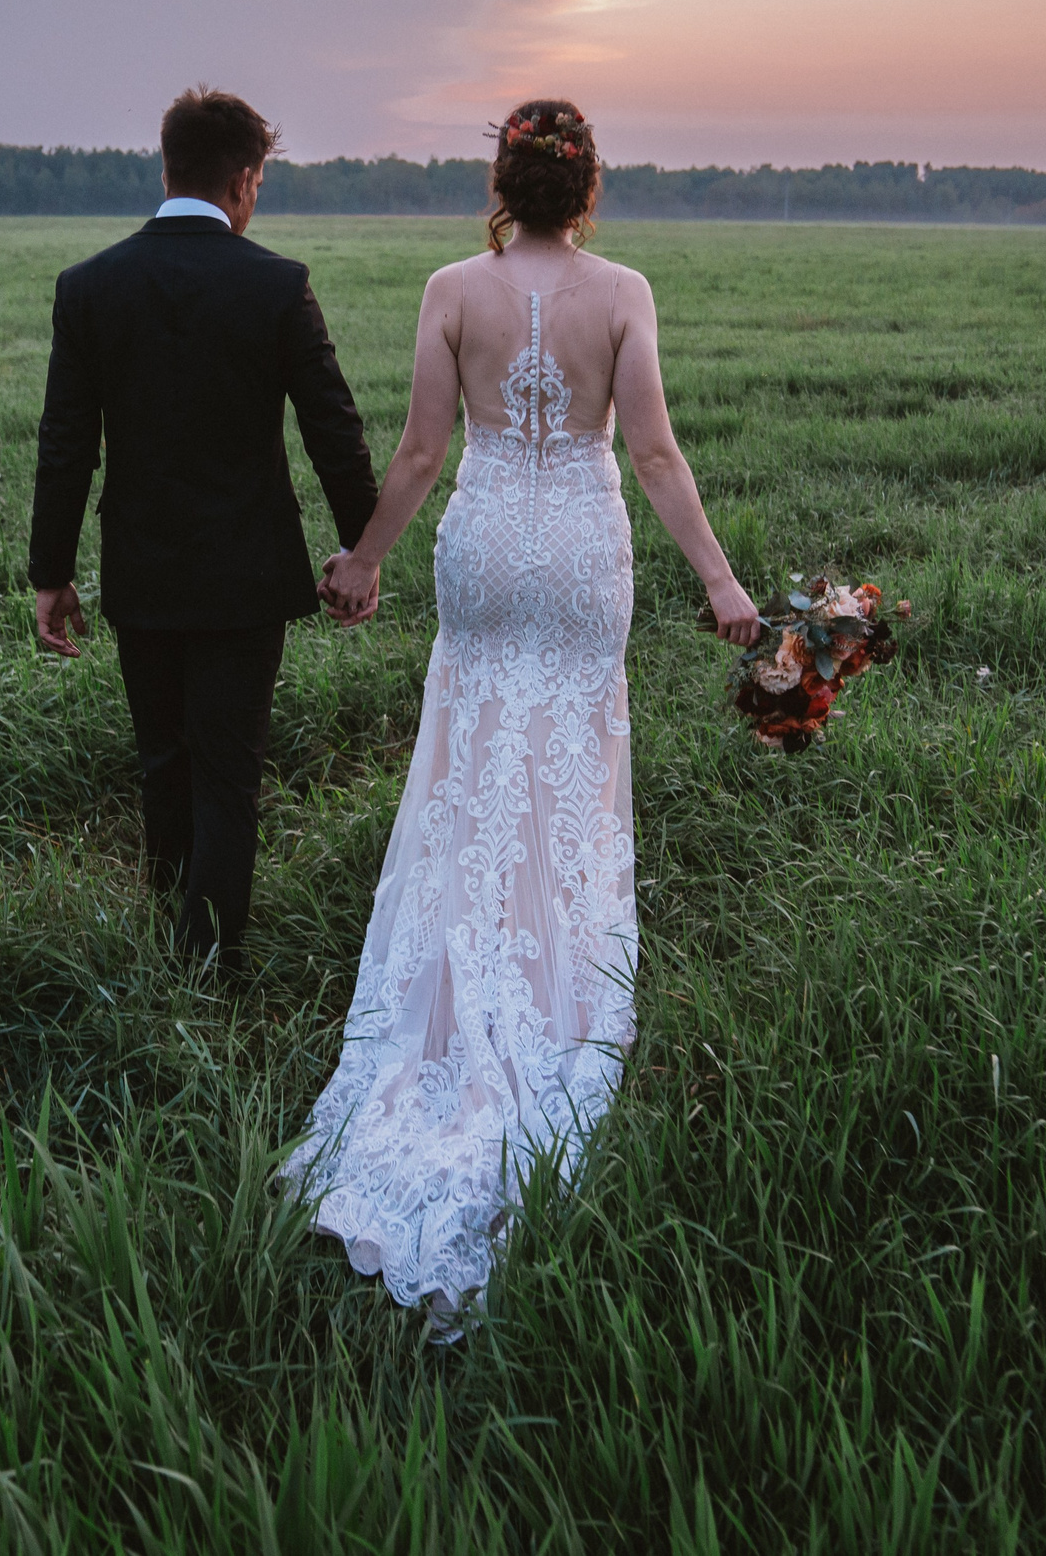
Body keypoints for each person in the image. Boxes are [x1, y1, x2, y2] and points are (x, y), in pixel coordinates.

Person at [284, 99, 762, 1337]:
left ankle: (455, 971)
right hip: (581, 547)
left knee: (473, 753)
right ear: (588, 186)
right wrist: (718, 581)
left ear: (499, 182)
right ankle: (552, 967)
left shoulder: (453, 286)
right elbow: (653, 454)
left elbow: (417, 454)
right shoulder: (624, 291)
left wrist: (361, 561)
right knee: (568, 754)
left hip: (491, 543)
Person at [27, 87, 378, 966]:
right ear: (246, 181)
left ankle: (168, 944)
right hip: (247, 576)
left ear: (165, 168)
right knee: (229, 774)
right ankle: (208, 966)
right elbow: (332, 425)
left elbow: (65, 444)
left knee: (162, 763)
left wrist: (51, 573)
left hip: (140, 572)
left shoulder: (89, 286)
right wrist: (362, 548)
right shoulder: (277, 285)